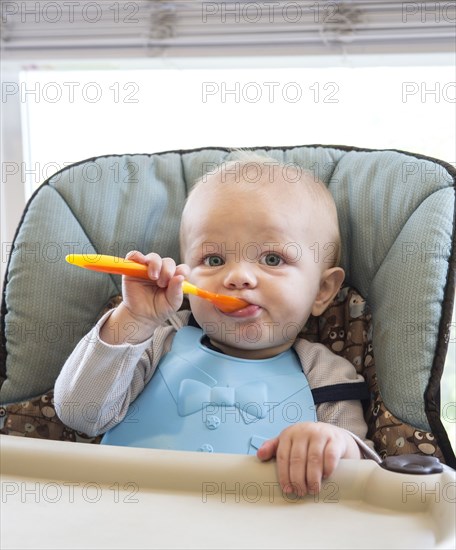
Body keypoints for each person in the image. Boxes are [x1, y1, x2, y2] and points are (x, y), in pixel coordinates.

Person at [55, 152, 379, 496]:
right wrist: (136, 318)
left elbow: (361, 483)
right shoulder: (159, 338)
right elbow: (80, 413)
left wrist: (335, 444)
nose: (238, 276)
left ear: (322, 290)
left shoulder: (326, 374)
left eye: (272, 259)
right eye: (213, 259)